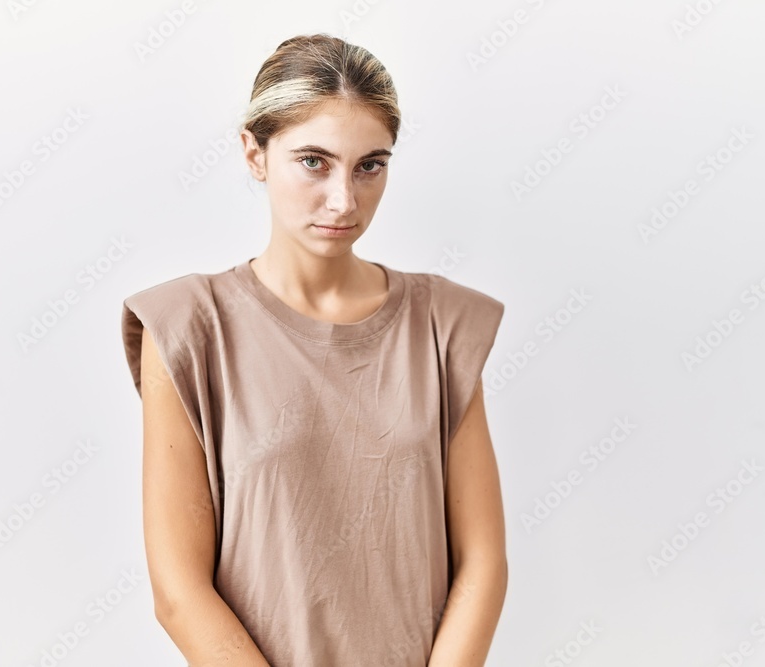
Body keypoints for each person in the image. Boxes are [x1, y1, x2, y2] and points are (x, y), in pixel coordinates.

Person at [121, 33, 507, 667]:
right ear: (255, 153)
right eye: (313, 161)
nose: (344, 200)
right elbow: (179, 594)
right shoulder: (188, 327)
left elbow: (483, 563)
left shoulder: (443, 324)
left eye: (369, 165)